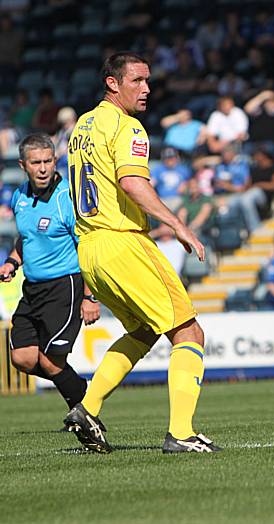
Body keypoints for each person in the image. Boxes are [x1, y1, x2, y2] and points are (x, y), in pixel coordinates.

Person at [63, 52, 220, 454]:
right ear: (113, 84)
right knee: (188, 331)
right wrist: (179, 225)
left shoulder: (83, 125)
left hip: (91, 248)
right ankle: (181, 433)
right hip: (123, 240)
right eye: (137, 81)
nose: (147, 89)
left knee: (143, 331)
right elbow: (132, 183)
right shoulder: (128, 126)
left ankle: (88, 407)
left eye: (149, 81)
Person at [0, 133, 100, 414]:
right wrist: (12, 261)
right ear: (23, 165)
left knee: (50, 360)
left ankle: (85, 412)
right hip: (32, 288)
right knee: (22, 357)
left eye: (48, 161)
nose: (43, 168)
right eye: (36, 163)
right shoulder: (19, 196)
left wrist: (91, 298)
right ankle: (82, 390)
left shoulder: (66, 198)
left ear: (55, 161)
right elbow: (27, 239)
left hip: (64, 286)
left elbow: (87, 249)